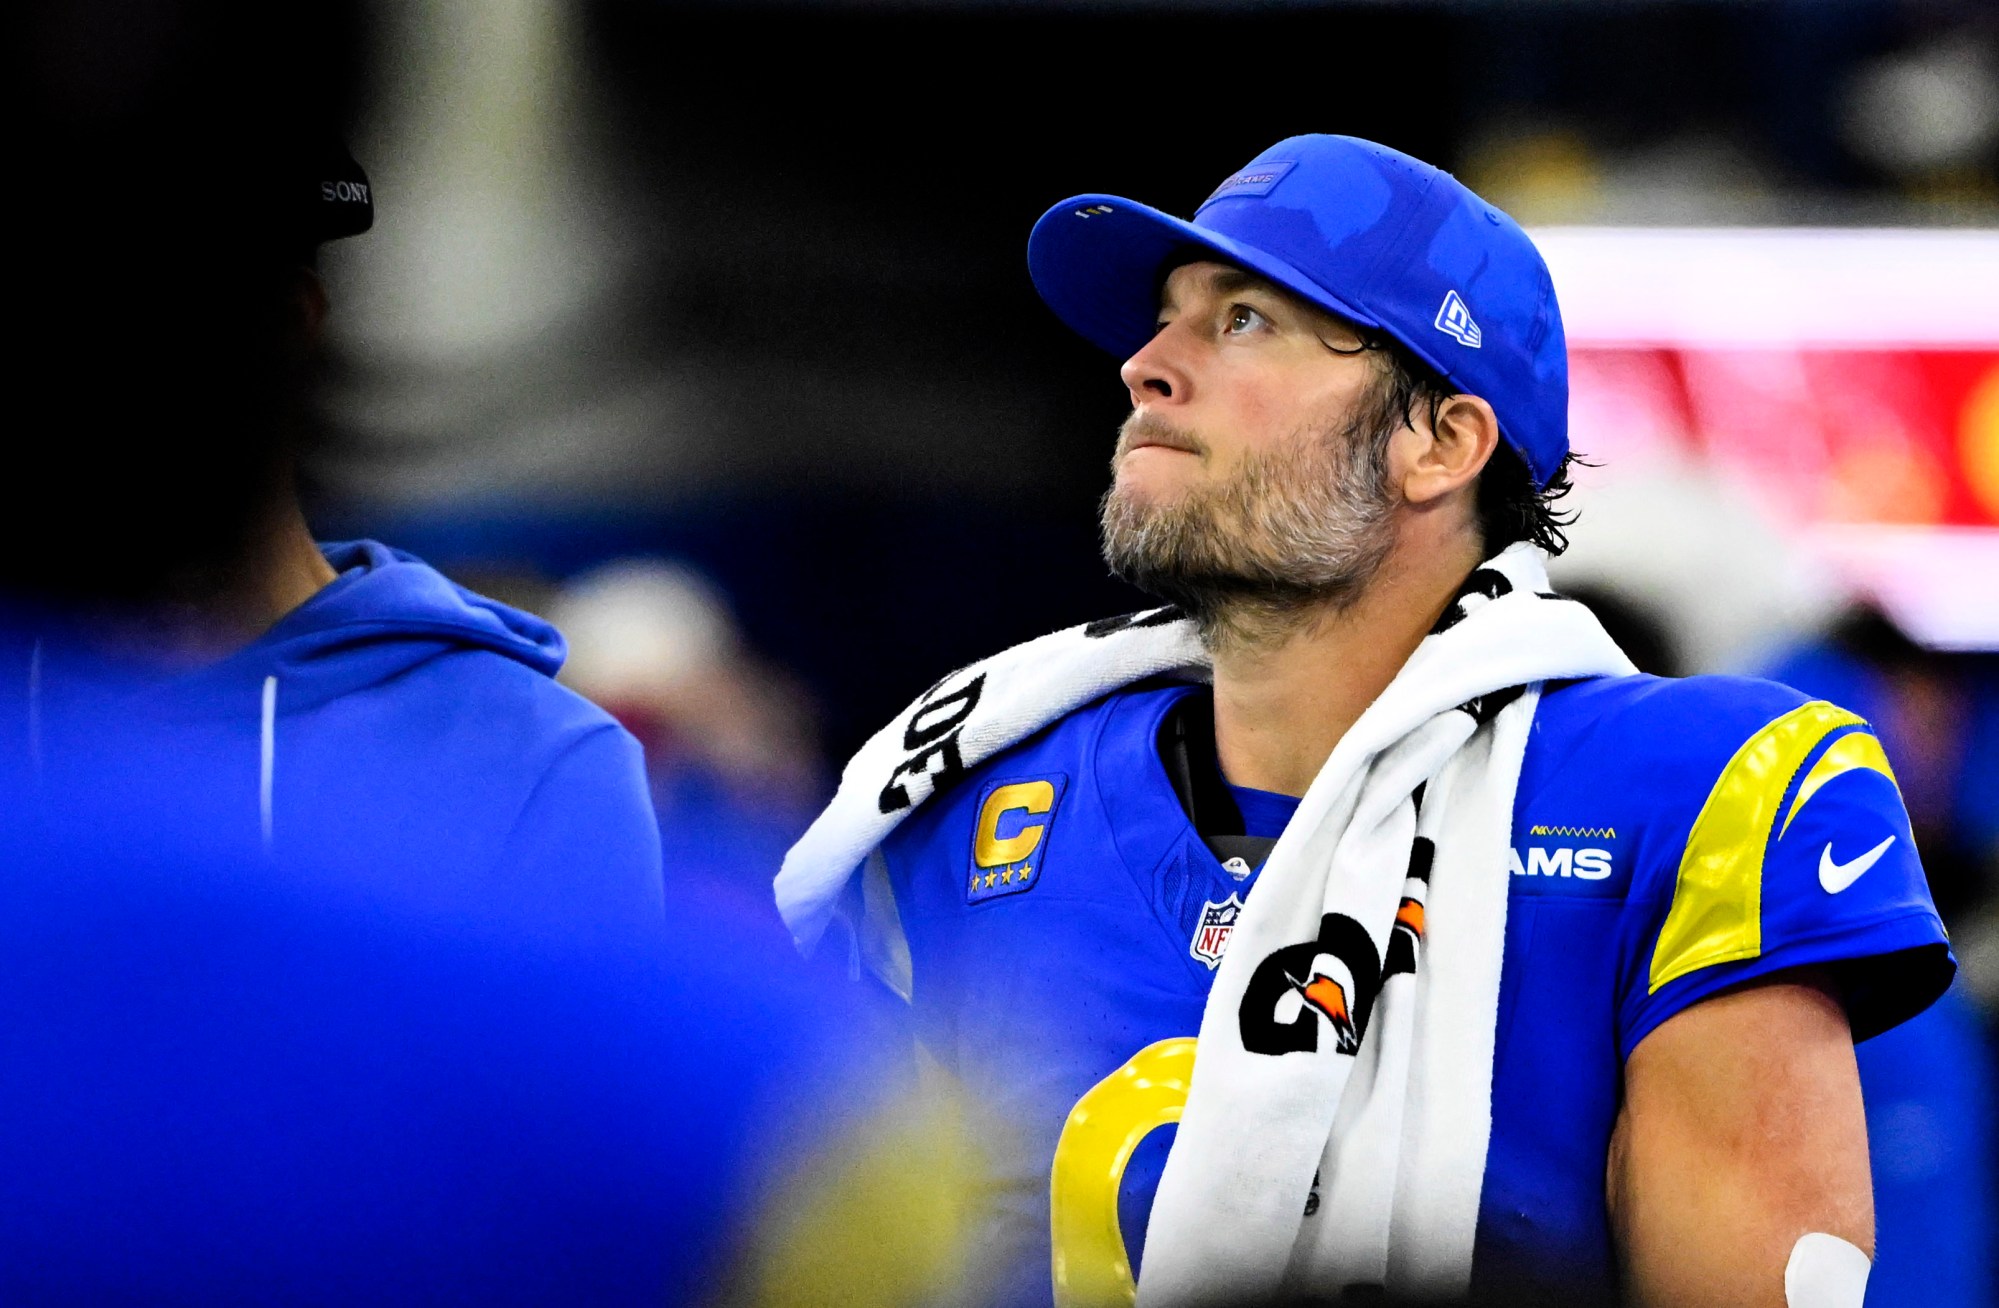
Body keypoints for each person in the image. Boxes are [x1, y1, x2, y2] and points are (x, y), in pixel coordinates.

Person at [775, 135, 1953, 1307]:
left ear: (1440, 441)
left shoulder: (1691, 793)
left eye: (1241, 321)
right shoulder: (959, 803)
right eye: (1164, 317)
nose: (1146, 364)